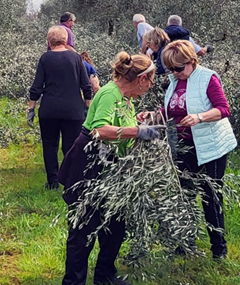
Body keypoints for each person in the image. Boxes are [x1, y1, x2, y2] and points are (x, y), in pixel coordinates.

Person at [58, 52, 163, 285]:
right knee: (83, 226)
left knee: (115, 224)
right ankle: (73, 281)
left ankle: (105, 276)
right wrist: (137, 132)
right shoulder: (109, 93)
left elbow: (119, 123)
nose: (151, 85)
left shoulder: (126, 98)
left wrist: (137, 120)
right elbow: (100, 131)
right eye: (151, 79)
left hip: (113, 168)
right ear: (141, 78)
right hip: (89, 163)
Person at [153, 39, 236, 260]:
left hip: (211, 147)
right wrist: (155, 114)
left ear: (192, 61)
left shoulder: (208, 77)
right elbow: (173, 106)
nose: (175, 72)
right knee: (185, 194)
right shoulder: (174, 79)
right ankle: (185, 243)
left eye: (178, 68)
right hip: (183, 146)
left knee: (210, 196)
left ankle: (219, 249)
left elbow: (223, 109)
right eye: (170, 69)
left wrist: (200, 117)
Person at [28, 26, 93, 189]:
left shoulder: (45, 58)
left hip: (49, 109)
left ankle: (52, 181)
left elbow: (37, 86)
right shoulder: (76, 58)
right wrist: (88, 107)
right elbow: (86, 85)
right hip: (73, 110)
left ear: (49, 41)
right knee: (71, 146)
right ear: (66, 40)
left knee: (50, 145)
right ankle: (70, 180)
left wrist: (31, 108)